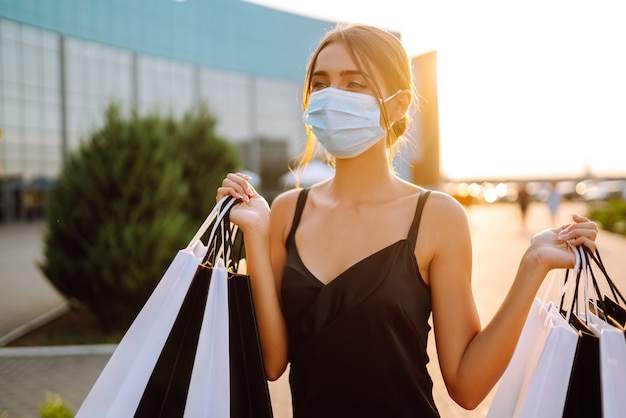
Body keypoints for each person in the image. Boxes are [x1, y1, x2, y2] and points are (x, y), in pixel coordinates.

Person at [216, 23, 598, 417]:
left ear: (398, 105)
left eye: (354, 84)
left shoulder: (436, 216)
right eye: (321, 82)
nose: (331, 97)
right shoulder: (284, 213)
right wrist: (256, 235)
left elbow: (467, 387)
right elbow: (273, 363)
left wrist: (531, 266)